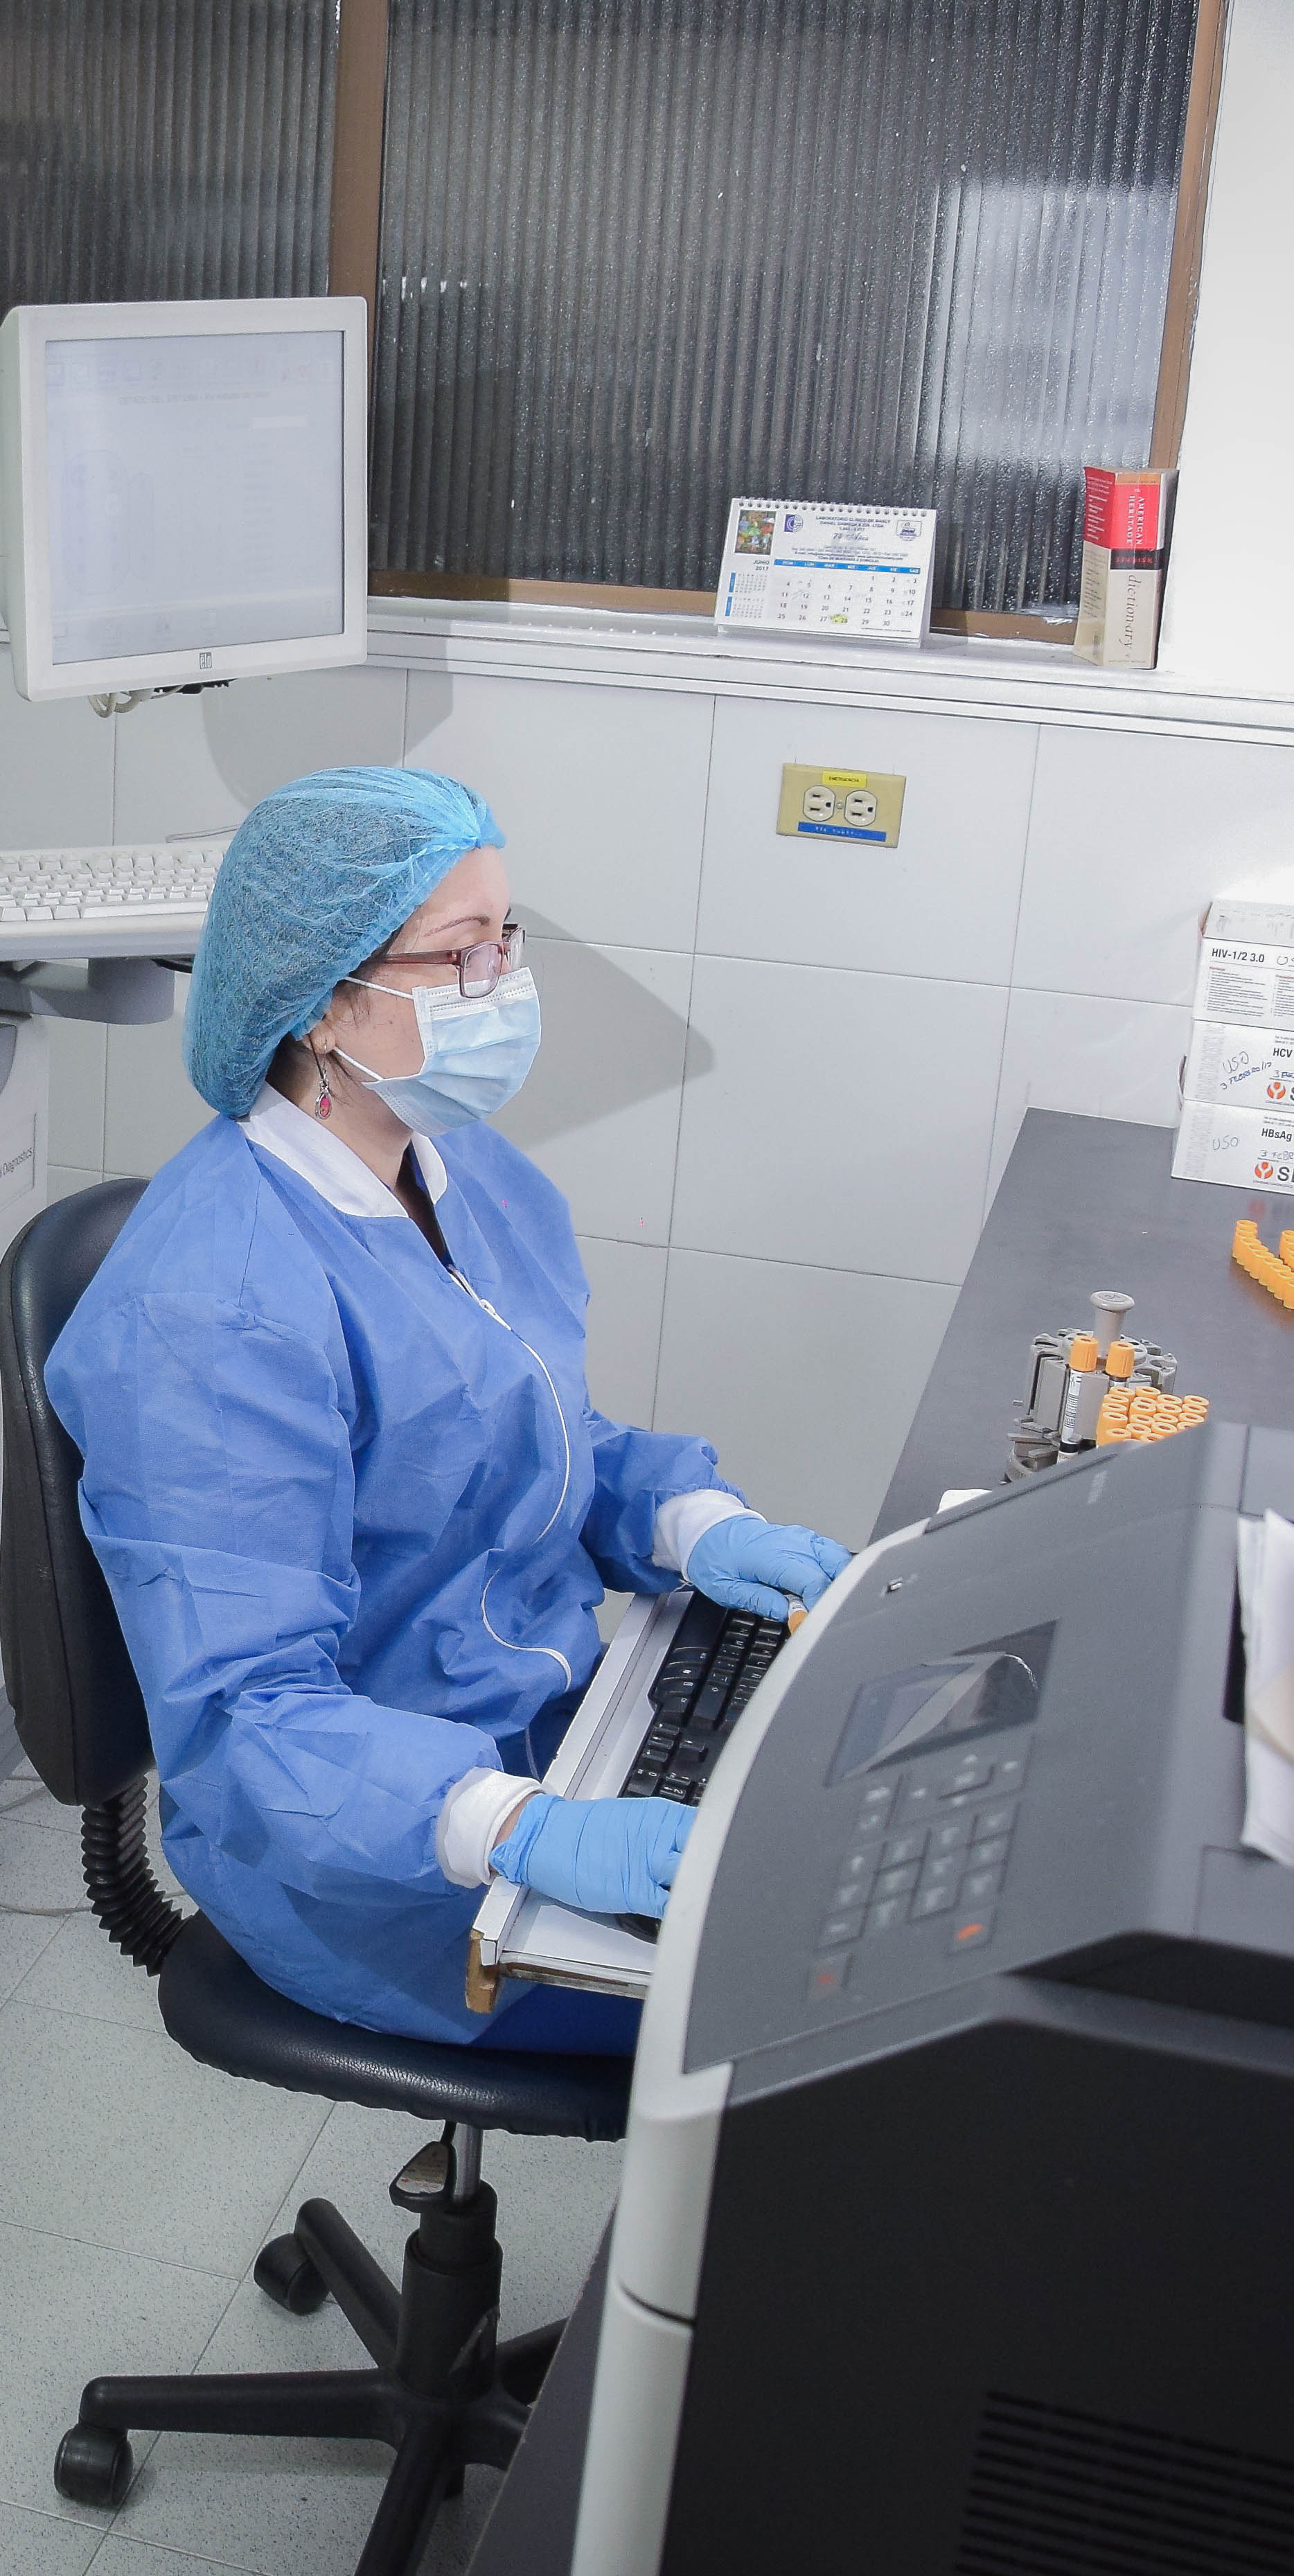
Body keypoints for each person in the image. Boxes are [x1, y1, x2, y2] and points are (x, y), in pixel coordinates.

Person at [44, 767, 850, 2051]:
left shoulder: (453, 1165)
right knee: (825, 2012)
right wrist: (520, 1830)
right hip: (378, 1860)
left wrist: (691, 1524)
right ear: (322, 1002)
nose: (505, 986)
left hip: (545, 1731)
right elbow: (248, 1719)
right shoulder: (211, 1313)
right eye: (462, 953)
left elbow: (517, 1435)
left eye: (508, 940)